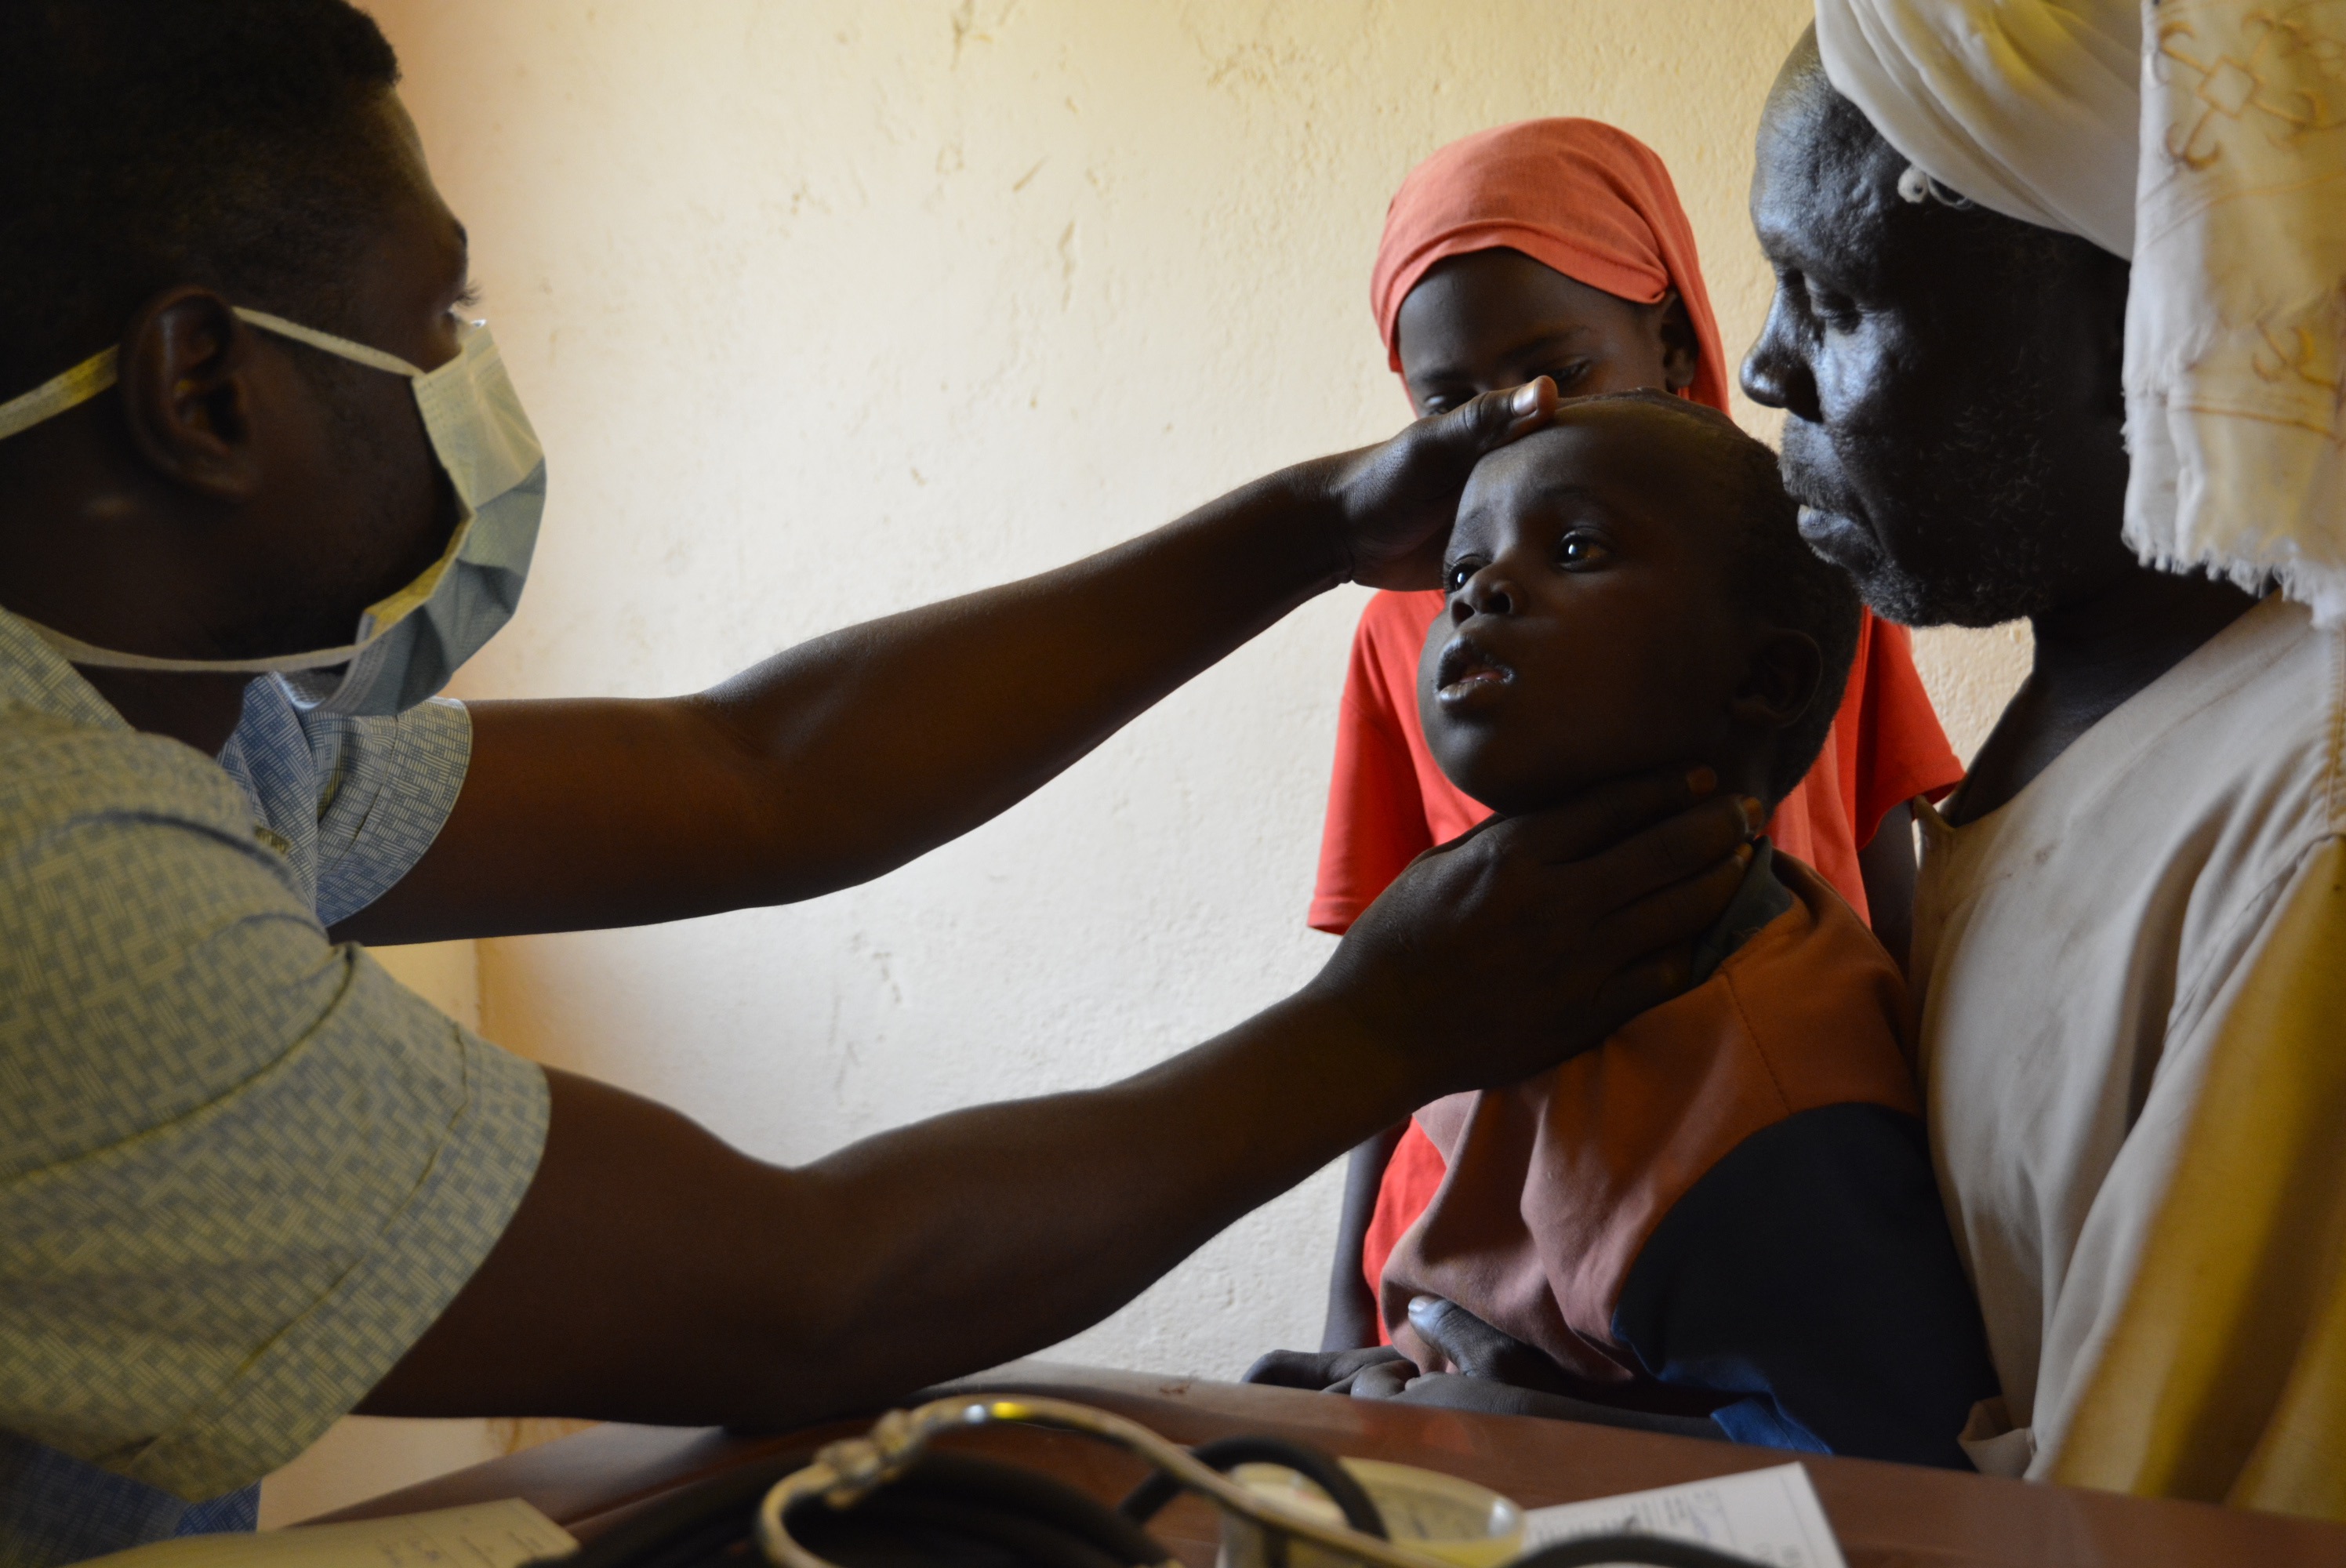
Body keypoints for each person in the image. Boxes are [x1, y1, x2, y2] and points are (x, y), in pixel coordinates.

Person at [0, 5, 1769, 1563]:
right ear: (203, 394)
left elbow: (757, 774)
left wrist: (1312, 526)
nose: (477, 365)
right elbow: (803, 1295)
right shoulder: (55, 880)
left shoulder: (210, 731)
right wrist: (1378, 1028)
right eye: (438, 312)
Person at [1734, 5, 2346, 1515]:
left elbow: (2154, 1528)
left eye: (1829, 293)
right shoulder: (2104, 712)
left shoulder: (2307, 832)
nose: (1764, 369)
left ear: (2137, 333)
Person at [1309, 117, 1963, 1356]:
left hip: (1755, 1160)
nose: (1511, 425)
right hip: (1468, 1252)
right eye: (1446, 400)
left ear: (1669, 344)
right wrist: (1350, 1288)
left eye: (1553, 366)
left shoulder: (1797, 573)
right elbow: (1374, 988)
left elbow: (1898, 895)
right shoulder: (1414, 632)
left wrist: (1934, 1165)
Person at [1251, 396, 1996, 1468]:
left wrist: (1501, 1433)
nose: (1482, 592)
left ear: (1766, 679)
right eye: (1460, 573)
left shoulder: (1753, 1110)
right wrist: (1376, 1372)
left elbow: (1906, 1490)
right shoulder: (1513, 968)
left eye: (1575, 548)